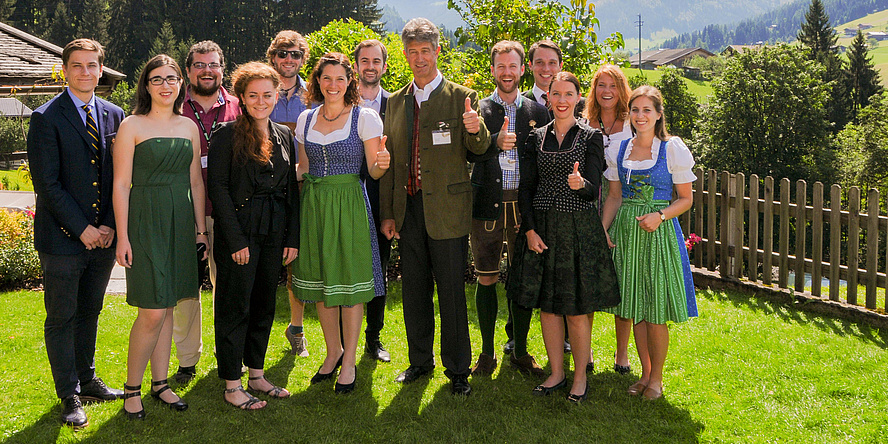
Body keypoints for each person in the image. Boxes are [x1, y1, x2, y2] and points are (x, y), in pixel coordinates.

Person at [380, 17, 490, 396]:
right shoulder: (394, 102)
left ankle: (458, 370)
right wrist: (389, 213)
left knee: (451, 294)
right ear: (405, 54)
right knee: (413, 292)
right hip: (408, 209)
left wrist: (475, 128)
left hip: (448, 211)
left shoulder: (461, 97)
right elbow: (390, 159)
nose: (419, 58)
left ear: (437, 51)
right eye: (412, 52)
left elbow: (479, 149)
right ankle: (419, 362)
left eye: (425, 50)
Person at [27, 38, 125, 428]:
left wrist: (110, 227)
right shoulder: (46, 117)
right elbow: (47, 185)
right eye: (77, 66)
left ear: (101, 70)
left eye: (92, 65)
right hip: (62, 240)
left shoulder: (115, 115)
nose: (86, 72)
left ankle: (87, 379)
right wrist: (82, 228)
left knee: (91, 311)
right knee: (62, 317)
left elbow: (120, 177)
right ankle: (68, 394)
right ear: (64, 70)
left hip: (103, 237)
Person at [508, 71, 621, 404]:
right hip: (542, 226)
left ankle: (580, 376)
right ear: (547, 98)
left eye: (568, 94)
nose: (561, 100)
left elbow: (593, 188)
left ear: (577, 98)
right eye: (555, 94)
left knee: (574, 308)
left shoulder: (591, 137)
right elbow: (525, 188)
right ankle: (556, 372)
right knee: (548, 306)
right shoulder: (534, 138)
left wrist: (581, 185)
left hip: (577, 228)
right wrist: (528, 230)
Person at [113, 54, 206, 419]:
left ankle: (160, 383)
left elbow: (196, 182)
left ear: (181, 83)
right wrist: (123, 237)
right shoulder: (131, 125)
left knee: (168, 305)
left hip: (181, 221)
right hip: (146, 220)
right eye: (157, 79)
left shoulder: (189, 127)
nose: (166, 85)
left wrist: (200, 231)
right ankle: (131, 390)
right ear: (146, 86)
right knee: (152, 311)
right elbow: (121, 185)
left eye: (172, 78)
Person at [292, 52, 390, 394]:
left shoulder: (365, 118)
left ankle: (349, 362)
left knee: (349, 286)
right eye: (326, 78)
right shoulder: (305, 119)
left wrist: (382, 163)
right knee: (321, 282)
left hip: (349, 202)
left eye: (340, 78)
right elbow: (302, 169)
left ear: (350, 82)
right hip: (315, 205)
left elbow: (374, 172)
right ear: (317, 81)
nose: (333, 84)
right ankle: (333, 352)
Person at [208, 62, 300, 410]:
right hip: (241, 233)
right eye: (253, 95)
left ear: (277, 94)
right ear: (242, 98)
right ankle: (232, 384)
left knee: (264, 304)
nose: (261, 101)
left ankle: (257, 374)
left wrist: (292, 237)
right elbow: (217, 189)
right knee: (235, 306)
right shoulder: (226, 136)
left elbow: (291, 188)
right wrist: (235, 241)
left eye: (267, 94)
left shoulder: (284, 135)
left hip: (275, 232)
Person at [601, 85, 697, 401]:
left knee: (655, 310)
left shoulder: (672, 149)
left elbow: (685, 200)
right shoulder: (620, 149)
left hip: (658, 233)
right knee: (636, 307)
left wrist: (660, 215)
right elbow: (615, 196)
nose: (640, 116)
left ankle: (656, 379)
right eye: (636, 110)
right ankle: (644, 373)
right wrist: (604, 229)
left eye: (647, 110)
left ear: (658, 115)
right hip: (628, 233)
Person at [468, 40, 550, 378]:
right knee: (486, 277)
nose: (506, 72)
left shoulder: (537, 111)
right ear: (493, 70)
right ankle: (487, 353)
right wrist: (492, 144)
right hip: (487, 203)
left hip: (524, 206)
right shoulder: (479, 109)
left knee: (522, 278)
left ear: (522, 69)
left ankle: (519, 349)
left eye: (512, 66)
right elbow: (468, 154)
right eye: (500, 66)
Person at [174, 40, 241, 384]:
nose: (206, 70)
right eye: (199, 65)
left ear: (222, 69)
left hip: (227, 211)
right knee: (186, 287)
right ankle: (187, 359)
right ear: (188, 71)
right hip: (183, 212)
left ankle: (227, 353)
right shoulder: (171, 106)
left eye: (213, 64)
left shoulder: (239, 108)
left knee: (226, 286)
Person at [583, 64, 634, 375]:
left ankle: (622, 353)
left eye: (613, 86)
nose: (607, 92)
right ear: (594, 90)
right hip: (588, 203)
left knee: (622, 280)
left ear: (621, 90)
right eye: (601, 85)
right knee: (587, 280)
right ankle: (585, 350)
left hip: (622, 204)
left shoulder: (632, 123)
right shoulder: (584, 122)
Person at [266, 29, 312, 357]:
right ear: (273, 56)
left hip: (303, 184)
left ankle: (296, 328)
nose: (288, 59)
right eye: (283, 53)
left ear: (303, 58)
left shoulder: (314, 94)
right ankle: (255, 332)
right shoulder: (259, 90)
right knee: (265, 258)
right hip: (266, 184)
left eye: (295, 54)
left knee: (299, 259)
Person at [354, 39, 393, 363]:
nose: (370, 66)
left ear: (383, 66)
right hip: (347, 200)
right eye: (364, 60)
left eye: (375, 61)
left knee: (378, 272)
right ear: (356, 66)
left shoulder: (395, 106)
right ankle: (341, 343)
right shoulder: (342, 106)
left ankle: (374, 338)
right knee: (345, 271)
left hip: (381, 204)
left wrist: (391, 212)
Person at [523, 40, 585, 119]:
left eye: (552, 63)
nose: (546, 69)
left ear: (560, 66)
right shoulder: (519, 104)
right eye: (540, 62)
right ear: (530, 65)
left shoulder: (582, 106)